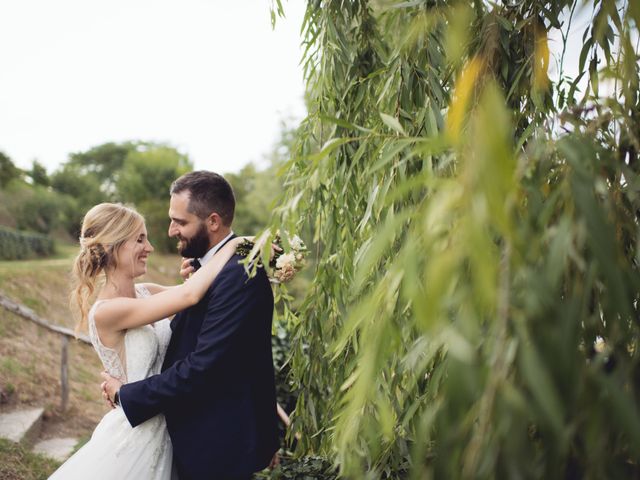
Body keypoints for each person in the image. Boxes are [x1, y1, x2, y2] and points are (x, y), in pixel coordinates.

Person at [101, 171, 279, 480]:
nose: (170, 231)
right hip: (184, 434)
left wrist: (127, 396)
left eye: (180, 222)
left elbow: (203, 366)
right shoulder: (208, 270)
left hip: (217, 442)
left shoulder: (239, 274)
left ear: (212, 222)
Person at [49, 201, 246, 479]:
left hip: (170, 426)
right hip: (137, 435)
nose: (150, 247)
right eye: (139, 239)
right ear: (112, 246)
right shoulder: (107, 311)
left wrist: (203, 271)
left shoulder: (146, 292)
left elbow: (200, 294)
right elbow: (188, 296)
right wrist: (235, 245)